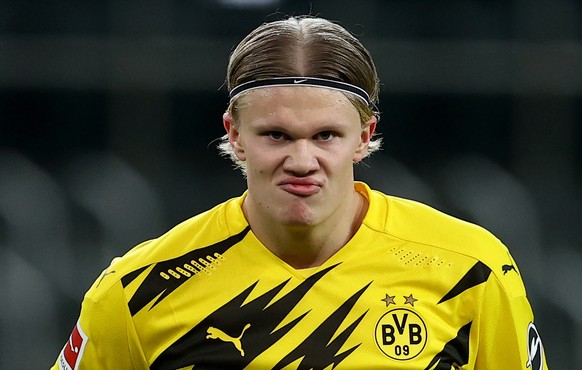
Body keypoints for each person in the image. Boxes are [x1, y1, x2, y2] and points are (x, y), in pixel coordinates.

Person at [52, 16, 548, 370]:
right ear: (235, 134)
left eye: (325, 135)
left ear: (364, 135)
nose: (302, 160)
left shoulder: (470, 268)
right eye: (277, 135)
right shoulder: (138, 289)